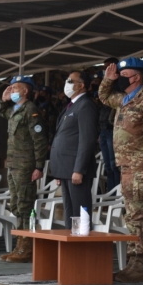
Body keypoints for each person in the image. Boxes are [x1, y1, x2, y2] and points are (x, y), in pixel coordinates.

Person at [99, 57, 143, 283]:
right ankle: (132, 263)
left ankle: (138, 263)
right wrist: (108, 80)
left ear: (136, 77)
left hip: (140, 167)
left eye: (123, 75)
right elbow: (103, 96)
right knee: (131, 215)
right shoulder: (124, 99)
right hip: (126, 166)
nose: (119, 78)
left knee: (138, 216)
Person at [0, 76, 49, 263]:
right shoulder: (15, 110)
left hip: (26, 164)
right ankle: (20, 244)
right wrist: (3, 100)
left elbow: (39, 140)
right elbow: (3, 113)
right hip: (13, 163)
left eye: (15, 88)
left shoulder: (30, 110)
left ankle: (26, 247)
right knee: (16, 205)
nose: (12, 91)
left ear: (25, 91)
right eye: (11, 88)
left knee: (25, 205)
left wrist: (39, 166)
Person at [50, 71, 99, 227]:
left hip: (76, 170)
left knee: (80, 211)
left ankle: (81, 240)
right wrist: (58, 171)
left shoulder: (86, 105)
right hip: (65, 169)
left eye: (71, 81)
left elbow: (87, 140)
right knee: (70, 211)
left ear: (81, 85)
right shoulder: (71, 106)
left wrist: (79, 169)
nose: (67, 84)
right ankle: (71, 238)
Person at [98, 58, 120, 191]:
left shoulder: (118, 87)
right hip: (104, 130)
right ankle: (111, 194)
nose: (105, 70)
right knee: (108, 166)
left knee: (114, 165)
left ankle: (116, 194)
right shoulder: (104, 88)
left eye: (108, 67)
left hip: (113, 130)